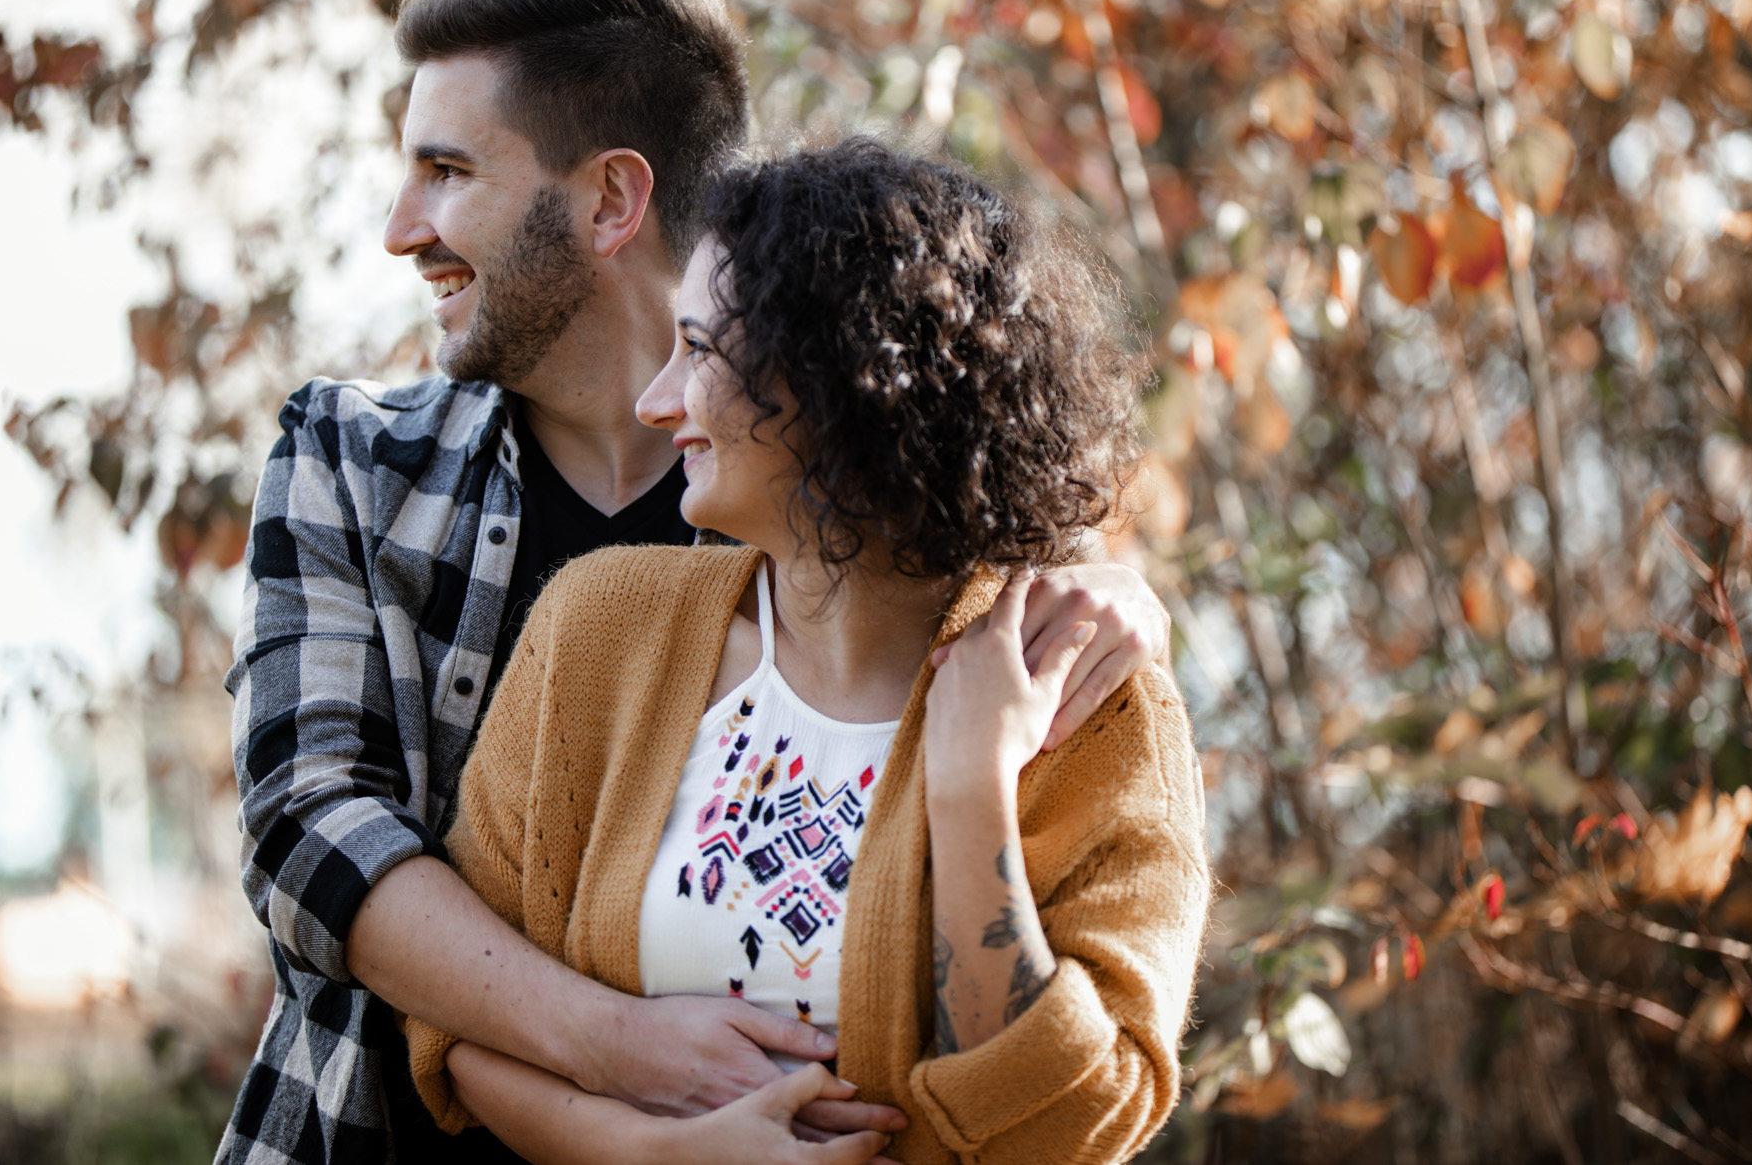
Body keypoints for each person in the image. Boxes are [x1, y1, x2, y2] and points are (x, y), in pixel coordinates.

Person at [219, 0, 1173, 1164]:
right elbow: (306, 827)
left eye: (447, 171)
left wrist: (1111, 601)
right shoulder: (356, 460)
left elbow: (1014, 586)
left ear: (613, 199)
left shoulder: (804, 504)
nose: (401, 228)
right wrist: (616, 1053)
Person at [401, 139, 1209, 1164]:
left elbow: (1068, 1128)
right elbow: (464, 1025)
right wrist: (656, 1156)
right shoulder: (594, 633)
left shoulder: (1084, 690)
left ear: (837, 376)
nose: (657, 401)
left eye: (696, 349)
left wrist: (969, 793)